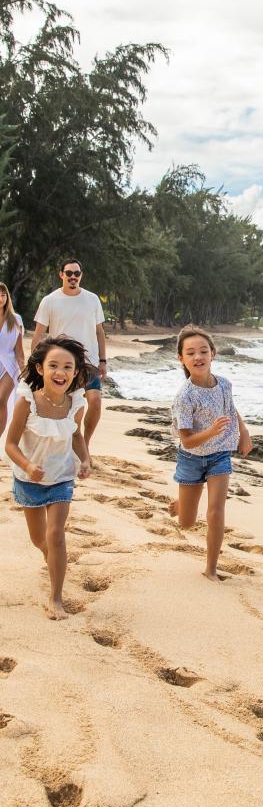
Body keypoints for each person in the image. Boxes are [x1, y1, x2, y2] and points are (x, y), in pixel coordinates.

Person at [5, 336, 93, 620]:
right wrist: (28, 466)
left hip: (61, 478)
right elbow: (10, 444)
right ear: (40, 369)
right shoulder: (27, 402)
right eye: (53, 365)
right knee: (39, 540)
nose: (61, 372)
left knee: (56, 535)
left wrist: (86, 459)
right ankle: (53, 559)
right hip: (28, 480)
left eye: (68, 367)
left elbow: (76, 434)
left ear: (75, 373)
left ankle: (56, 598)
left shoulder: (75, 403)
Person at [169, 325, 253, 581]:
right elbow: (188, 441)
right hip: (192, 458)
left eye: (203, 351)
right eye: (191, 352)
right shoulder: (185, 396)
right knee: (186, 522)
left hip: (220, 455)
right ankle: (181, 505)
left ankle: (211, 568)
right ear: (181, 358)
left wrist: (244, 433)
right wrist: (212, 430)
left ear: (213, 354)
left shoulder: (224, 384)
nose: (198, 357)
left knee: (215, 511)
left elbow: (231, 409)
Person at [31, 259, 107, 450]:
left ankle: (85, 446)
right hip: (62, 365)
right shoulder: (49, 300)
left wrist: (103, 360)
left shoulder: (92, 299)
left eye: (77, 273)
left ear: (81, 275)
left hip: (89, 362)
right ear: (61, 275)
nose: (73, 277)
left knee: (95, 402)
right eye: (69, 273)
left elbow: (99, 331)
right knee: (70, 408)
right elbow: (39, 333)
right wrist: (35, 362)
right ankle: (68, 443)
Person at [0, 283, 25, 437]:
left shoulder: (15, 319)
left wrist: (26, 373)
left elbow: (19, 352)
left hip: (9, 365)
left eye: (3, 295)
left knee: (1, 400)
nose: (0, 298)